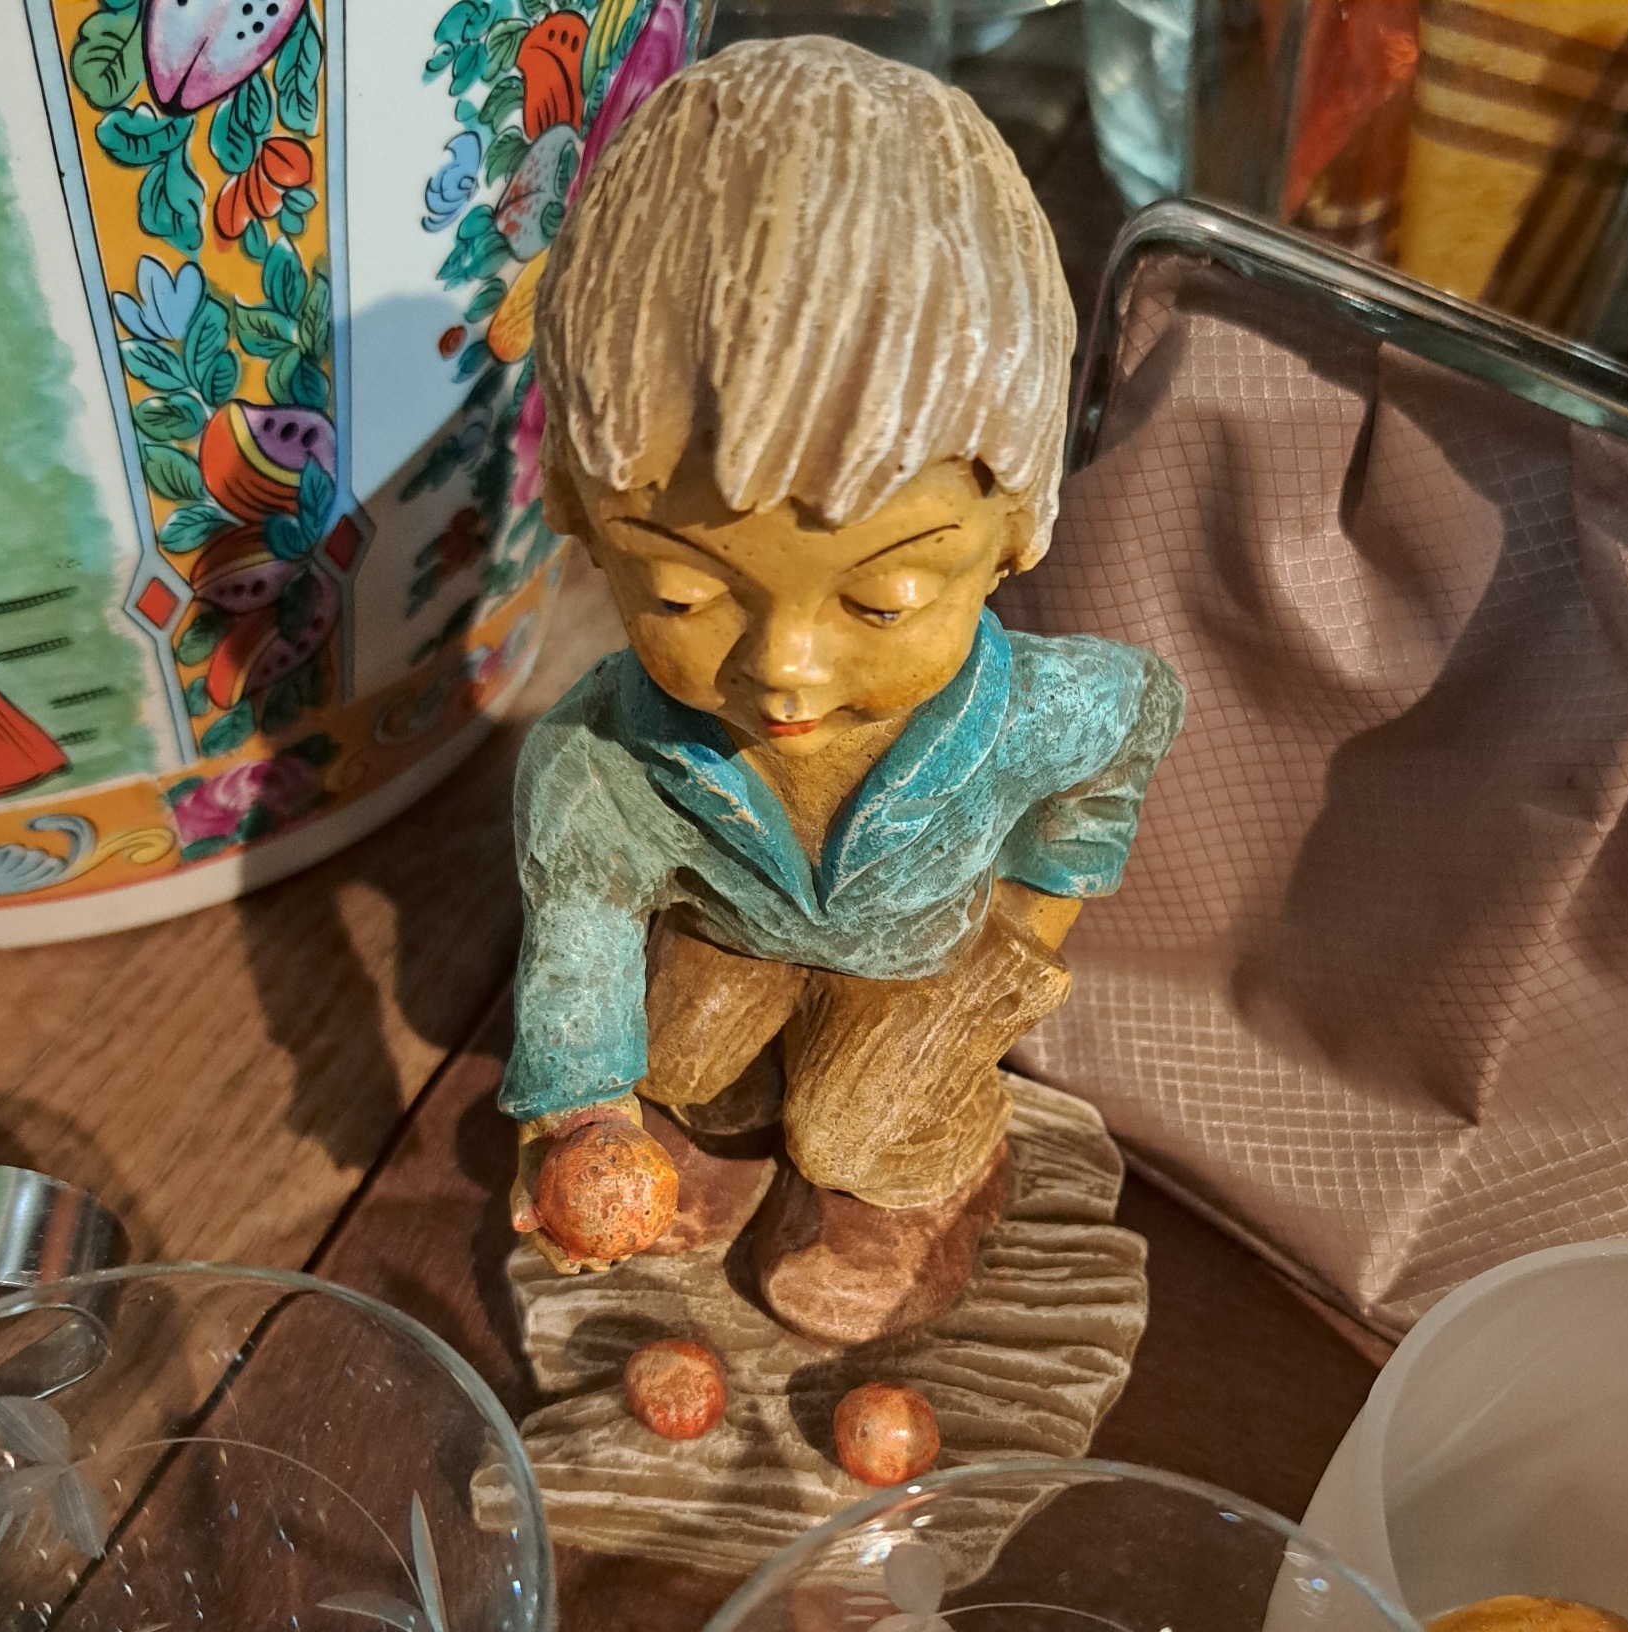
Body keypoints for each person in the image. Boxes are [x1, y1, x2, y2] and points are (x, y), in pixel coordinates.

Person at [502, 34, 1182, 1342]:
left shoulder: (1034, 711)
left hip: (916, 963)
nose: (787, 666)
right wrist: (583, 1112)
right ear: (580, 516)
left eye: (883, 600)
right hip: (730, 939)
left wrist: (1036, 912)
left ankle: (914, 1189)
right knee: (679, 1051)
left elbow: (1130, 716)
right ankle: (729, 1125)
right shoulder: (604, 757)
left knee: (859, 1117)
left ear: (1018, 529)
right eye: (685, 593)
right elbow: (580, 928)